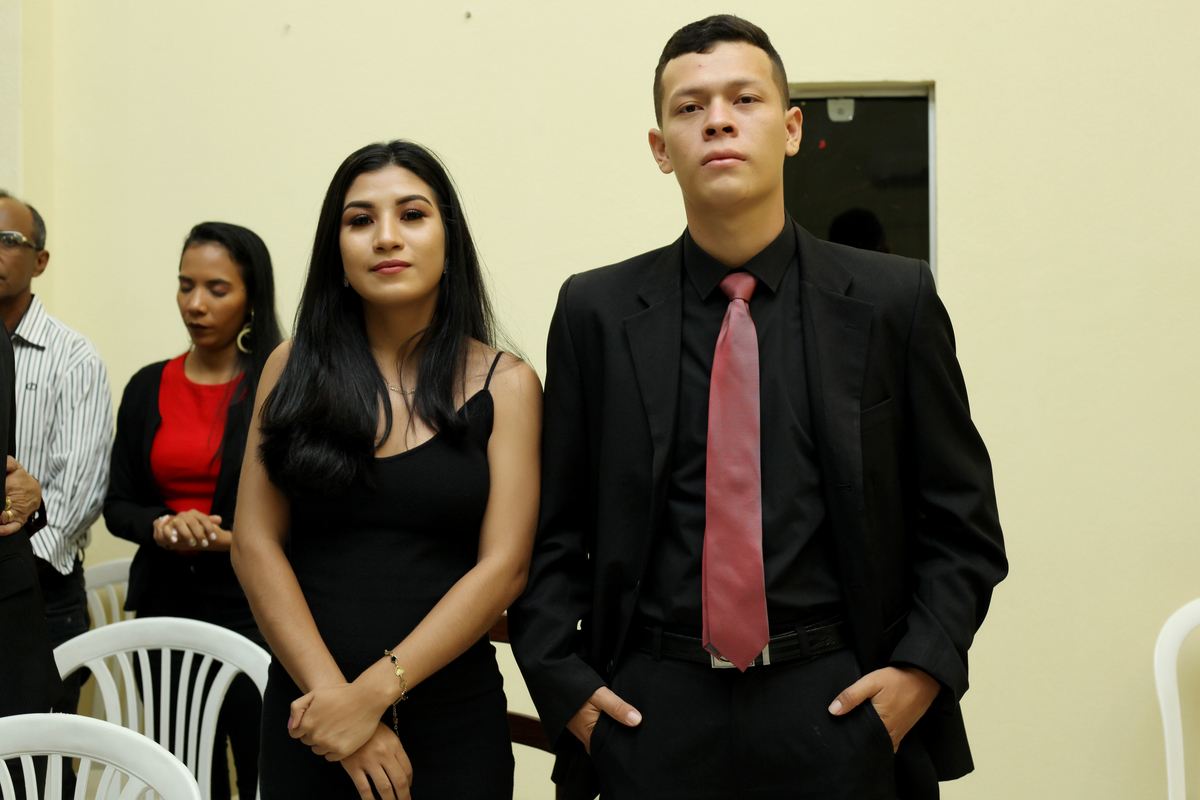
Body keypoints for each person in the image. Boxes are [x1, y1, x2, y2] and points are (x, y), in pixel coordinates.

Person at [508, 15, 1007, 800]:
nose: (718, 120)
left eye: (745, 98)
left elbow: (962, 524)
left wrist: (916, 677)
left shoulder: (891, 301)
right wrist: (567, 689)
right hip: (650, 714)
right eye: (690, 107)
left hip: (840, 704)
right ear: (660, 148)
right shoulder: (594, 313)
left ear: (792, 128)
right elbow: (554, 531)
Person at [231, 140, 541, 800]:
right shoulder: (290, 367)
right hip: (309, 716)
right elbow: (255, 544)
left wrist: (370, 696)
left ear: (450, 242)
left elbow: (504, 567)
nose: (386, 237)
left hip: (452, 724)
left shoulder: (508, 384)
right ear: (337, 250)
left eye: (412, 214)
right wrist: (337, 706)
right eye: (360, 220)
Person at [104, 221, 282, 800]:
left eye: (216, 289)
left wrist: (233, 540)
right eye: (186, 285)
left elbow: (308, 514)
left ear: (252, 299)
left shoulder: (279, 387)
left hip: (253, 607)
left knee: (260, 766)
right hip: (164, 604)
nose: (195, 304)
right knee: (183, 772)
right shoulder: (146, 386)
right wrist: (162, 525)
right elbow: (118, 505)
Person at [0, 190, 113, 721]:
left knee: (39, 754)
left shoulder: (73, 356)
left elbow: (79, 494)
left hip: (43, 590)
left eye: (7, 240)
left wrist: (16, 558)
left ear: (40, 260)